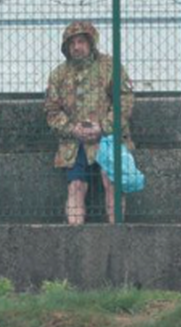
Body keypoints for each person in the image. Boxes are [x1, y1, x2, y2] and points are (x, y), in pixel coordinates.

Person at [44, 21, 135, 225]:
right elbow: (51, 111)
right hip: (74, 144)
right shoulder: (59, 74)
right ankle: (76, 235)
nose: (77, 47)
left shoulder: (110, 67)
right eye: (72, 43)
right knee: (76, 185)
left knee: (111, 180)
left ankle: (117, 232)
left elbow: (125, 100)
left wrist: (104, 127)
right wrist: (71, 129)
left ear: (91, 43)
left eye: (81, 42)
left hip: (108, 138)